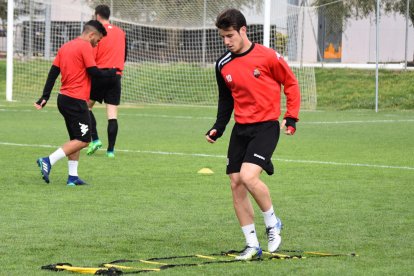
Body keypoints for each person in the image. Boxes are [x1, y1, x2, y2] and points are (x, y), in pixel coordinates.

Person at [205, 9, 301, 260]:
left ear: (243, 31)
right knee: (236, 183)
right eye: (222, 37)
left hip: (266, 126)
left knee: (248, 176)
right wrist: (218, 127)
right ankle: (251, 245)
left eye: (229, 36)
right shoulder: (222, 64)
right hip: (241, 128)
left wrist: (291, 116)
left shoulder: (268, 57)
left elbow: (290, 83)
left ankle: (273, 223)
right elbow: (226, 100)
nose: (226, 41)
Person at [35, 20, 117, 186]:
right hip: (76, 100)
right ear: (92, 34)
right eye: (98, 40)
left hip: (63, 99)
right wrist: (112, 73)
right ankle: (48, 160)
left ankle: (72, 177)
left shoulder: (65, 46)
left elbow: (53, 73)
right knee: (85, 139)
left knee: (75, 138)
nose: (97, 44)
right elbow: (93, 71)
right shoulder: (85, 46)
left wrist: (45, 96)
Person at [86, 4, 127, 158]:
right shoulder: (121, 32)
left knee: (86, 107)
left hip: (100, 74)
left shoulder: (97, 33)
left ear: (97, 16)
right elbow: (124, 55)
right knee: (112, 114)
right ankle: (110, 151)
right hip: (116, 75)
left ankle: (95, 139)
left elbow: (90, 55)